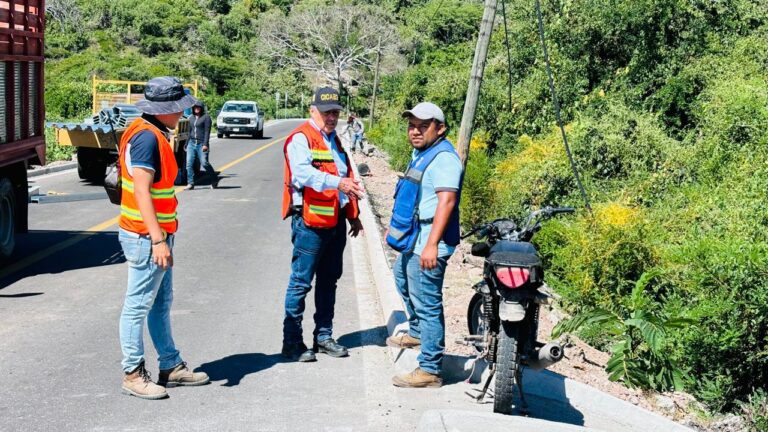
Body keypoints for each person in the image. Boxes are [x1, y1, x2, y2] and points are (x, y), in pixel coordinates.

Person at [118, 77, 210, 400]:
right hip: (147, 238)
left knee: (160, 302)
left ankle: (170, 365)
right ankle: (132, 373)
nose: (182, 115)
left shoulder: (152, 132)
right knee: (138, 305)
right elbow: (142, 191)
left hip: (157, 236)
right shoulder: (146, 139)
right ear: (163, 110)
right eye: (177, 109)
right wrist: (158, 240)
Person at [280, 87, 365, 362]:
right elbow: (303, 173)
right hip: (309, 223)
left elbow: (346, 178)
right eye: (327, 112)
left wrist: (352, 214)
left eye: (336, 112)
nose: (331, 117)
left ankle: (324, 337)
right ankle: (292, 342)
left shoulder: (336, 141)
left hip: (335, 221)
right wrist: (337, 183)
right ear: (312, 111)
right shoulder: (301, 139)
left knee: (329, 281)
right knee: (301, 283)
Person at [385, 102, 463, 388]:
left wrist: (431, 245)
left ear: (439, 129)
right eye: (412, 125)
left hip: (429, 241)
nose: (415, 131)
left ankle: (430, 368)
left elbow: (447, 201)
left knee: (428, 303)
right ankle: (417, 331)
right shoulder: (422, 153)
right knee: (401, 278)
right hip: (414, 238)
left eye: (423, 126)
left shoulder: (444, 159)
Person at [185, 102, 218, 190]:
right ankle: (190, 183)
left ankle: (214, 179)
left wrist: (205, 144)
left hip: (201, 144)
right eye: (195, 107)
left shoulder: (206, 117)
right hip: (191, 143)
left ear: (201, 108)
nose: (197, 109)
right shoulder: (191, 118)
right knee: (189, 164)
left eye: (199, 107)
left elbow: (207, 132)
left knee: (204, 163)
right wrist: (186, 143)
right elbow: (190, 131)